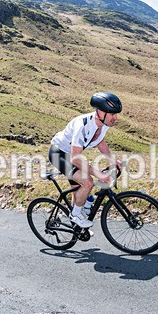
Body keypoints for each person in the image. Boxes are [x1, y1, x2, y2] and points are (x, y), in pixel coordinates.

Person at [49, 92, 122, 228]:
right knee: (87, 182)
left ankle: (75, 227)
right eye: (112, 114)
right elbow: (75, 158)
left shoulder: (103, 124)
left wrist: (113, 161)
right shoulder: (82, 126)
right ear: (101, 112)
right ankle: (75, 215)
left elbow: (101, 143)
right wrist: (98, 174)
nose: (115, 118)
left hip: (71, 155)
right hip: (59, 154)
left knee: (78, 193)